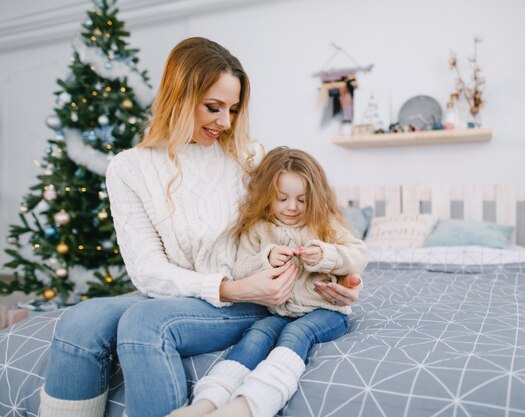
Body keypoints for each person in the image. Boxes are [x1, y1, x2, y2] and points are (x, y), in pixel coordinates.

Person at [38, 37, 362, 417]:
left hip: (257, 295)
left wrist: (340, 274)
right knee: (79, 321)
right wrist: (227, 287)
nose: (225, 122)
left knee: (144, 323)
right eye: (213, 107)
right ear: (179, 96)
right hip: (204, 290)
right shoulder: (129, 169)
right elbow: (147, 271)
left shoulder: (249, 156)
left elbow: (308, 218)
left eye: (233, 110)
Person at [170, 147, 368, 417]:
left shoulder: (324, 224)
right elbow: (240, 269)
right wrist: (267, 258)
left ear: (316, 197)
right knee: (257, 334)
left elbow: (358, 254)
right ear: (267, 196)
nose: (292, 207)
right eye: (282, 198)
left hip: (327, 312)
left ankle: (249, 406)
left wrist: (325, 254)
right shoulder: (258, 229)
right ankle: (208, 402)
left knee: (297, 334)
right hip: (280, 312)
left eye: (302, 199)